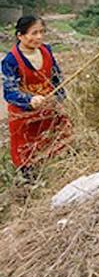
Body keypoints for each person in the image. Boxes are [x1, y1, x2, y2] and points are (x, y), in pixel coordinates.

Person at [1, 16, 70, 179]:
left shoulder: (46, 50)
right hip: (24, 117)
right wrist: (29, 100)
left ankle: (55, 176)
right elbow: (9, 92)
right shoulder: (11, 61)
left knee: (60, 139)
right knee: (26, 155)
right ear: (20, 36)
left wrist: (60, 97)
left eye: (41, 32)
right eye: (34, 33)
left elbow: (55, 76)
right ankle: (27, 186)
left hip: (48, 109)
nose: (39, 37)